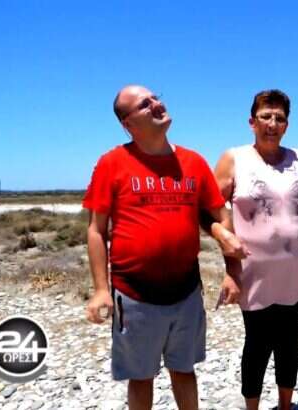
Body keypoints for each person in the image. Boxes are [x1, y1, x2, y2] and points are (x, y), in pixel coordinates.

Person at [83, 85, 247, 410]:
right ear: (128, 124)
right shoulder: (112, 163)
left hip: (186, 291)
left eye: (156, 97)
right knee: (140, 376)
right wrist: (101, 289)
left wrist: (233, 272)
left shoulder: (193, 161)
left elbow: (220, 216)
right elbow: (96, 230)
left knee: (184, 370)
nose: (157, 104)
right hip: (134, 294)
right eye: (145, 104)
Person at [212, 89, 298, 410]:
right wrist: (229, 263)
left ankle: (285, 406)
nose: (272, 124)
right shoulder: (234, 158)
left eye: (279, 118)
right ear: (252, 122)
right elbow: (212, 210)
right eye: (266, 116)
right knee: (258, 343)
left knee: (290, 341)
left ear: (287, 125)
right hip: (254, 270)